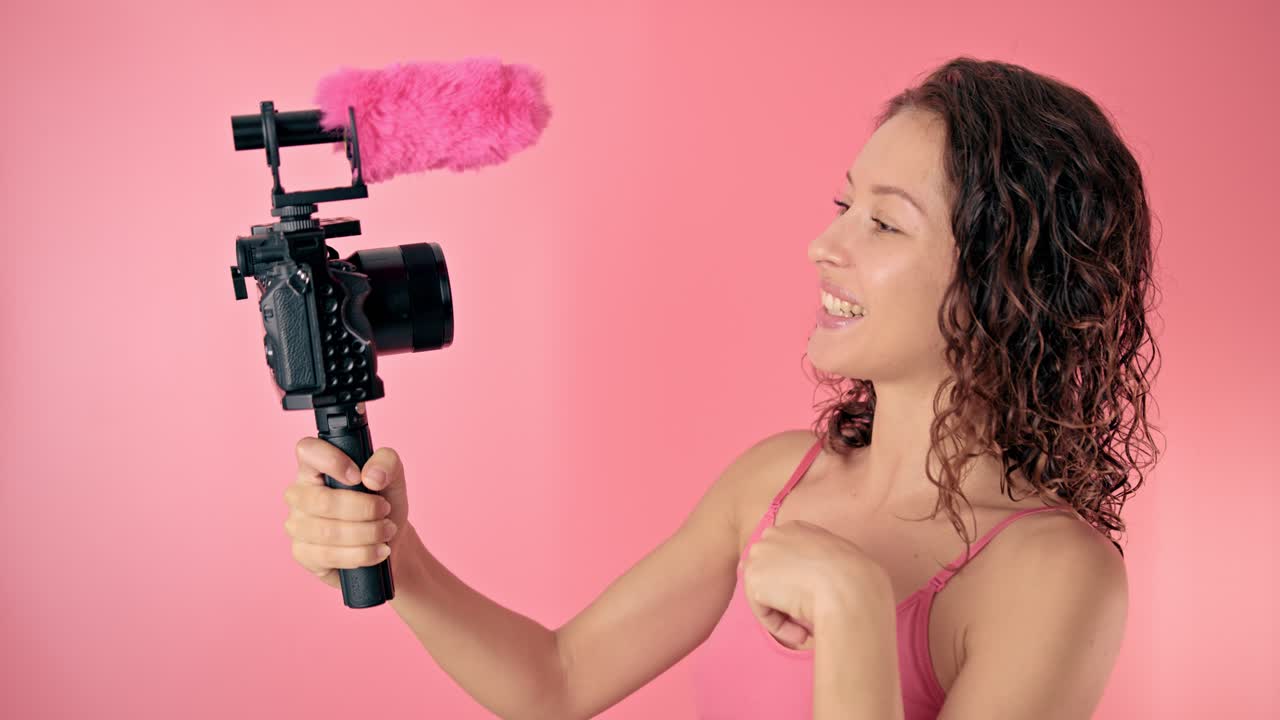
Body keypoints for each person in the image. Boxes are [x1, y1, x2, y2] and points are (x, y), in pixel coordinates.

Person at [282, 56, 1161, 720]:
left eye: (886, 222)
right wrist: (402, 555)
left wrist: (855, 612)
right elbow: (556, 679)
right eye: (843, 203)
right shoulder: (774, 483)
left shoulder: (1056, 577)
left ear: (1007, 285)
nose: (826, 246)